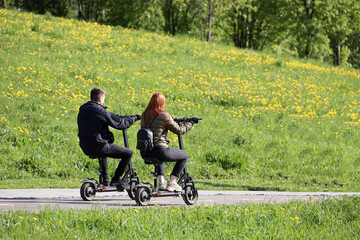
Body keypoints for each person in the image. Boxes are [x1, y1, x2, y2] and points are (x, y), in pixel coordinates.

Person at [77, 88, 140, 188]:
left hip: (85, 146)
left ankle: (105, 180)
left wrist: (126, 117)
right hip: (99, 146)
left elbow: (112, 117)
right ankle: (116, 179)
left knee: (103, 146)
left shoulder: (83, 109)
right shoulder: (100, 111)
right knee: (128, 153)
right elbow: (120, 124)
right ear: (100, 99)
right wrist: (134, 118)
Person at [140, 92, 193, 192]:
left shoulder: (144, 114)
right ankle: (172, 183)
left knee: (160, 158)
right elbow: (179, 130)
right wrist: (189, 124)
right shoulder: (163, 115)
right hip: (160, 150)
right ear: (161, 103)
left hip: (145, 151)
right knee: (184, 156)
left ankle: (162, 182)